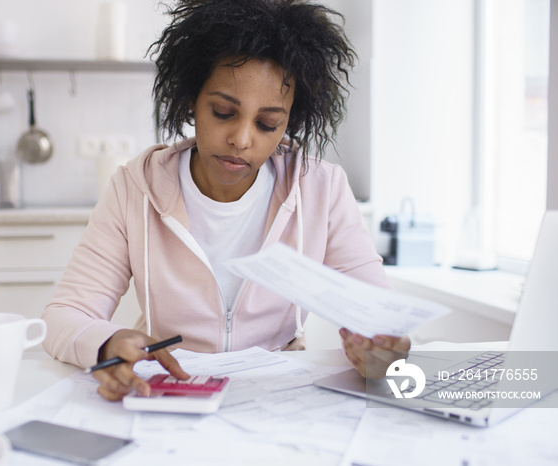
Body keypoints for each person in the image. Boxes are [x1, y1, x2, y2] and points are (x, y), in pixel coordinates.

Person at [42, 0, 410, 401]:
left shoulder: (321, 189)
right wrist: (108, 342)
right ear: (191, 100)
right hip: (171, 389)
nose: (242, 139)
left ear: (291, 120)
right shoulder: (135, 188)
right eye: (222, 112)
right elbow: (64, 316)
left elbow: (381, 318)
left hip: (278, 397)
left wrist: (381, 353)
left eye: (268, 123)